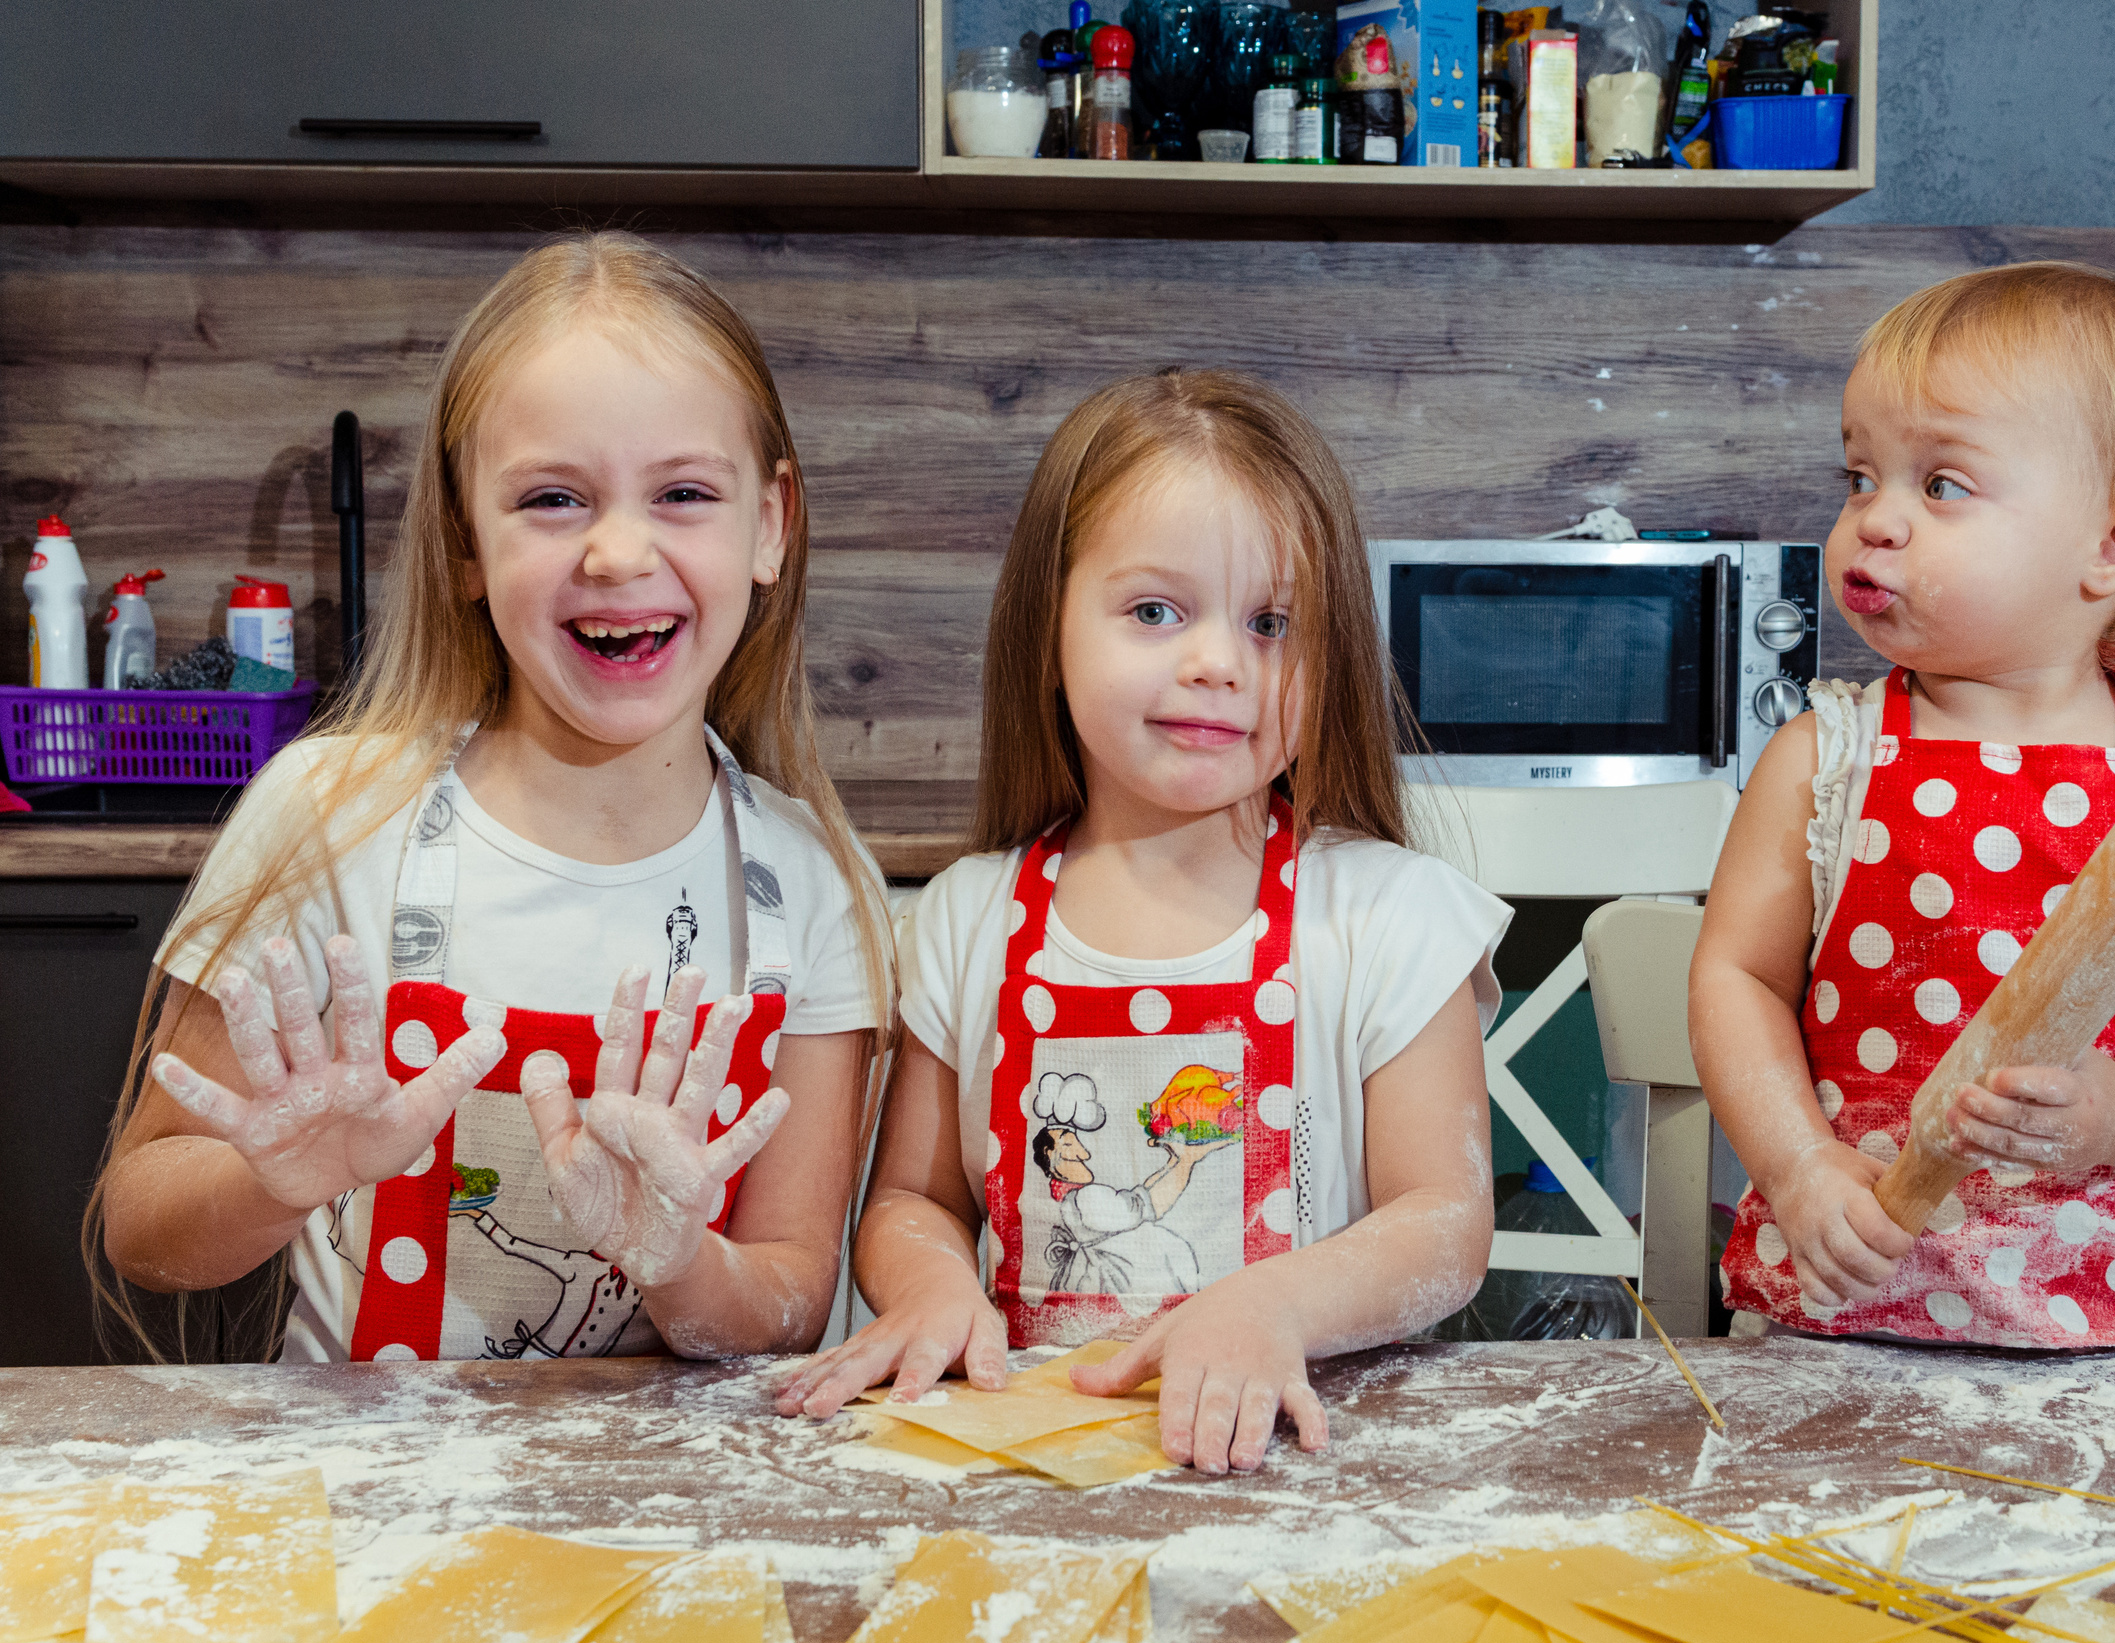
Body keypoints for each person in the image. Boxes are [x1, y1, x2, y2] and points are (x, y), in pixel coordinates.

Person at [92, 234, 893, 1367]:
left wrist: (677, 1257)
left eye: (683, 492)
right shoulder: (329, 815)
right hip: (371, 1516)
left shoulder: (814, 880)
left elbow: (787, 1298)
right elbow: (143, 1227)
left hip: (657, 1525)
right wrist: (274, 1182)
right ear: (466, 539)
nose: (619, 552)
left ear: (768, 525)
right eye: (554, 498)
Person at [773, 370, 1507, 1471]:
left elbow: (1443, 1223)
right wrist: (931, 1284)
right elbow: (912, 1198)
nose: (1215, 662)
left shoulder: (1387, 918)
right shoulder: (969, 921)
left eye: (1270, 623)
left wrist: (1274, 1308)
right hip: (1030, 1473)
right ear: (1049, 627)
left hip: (1301, 1468)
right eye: (1155, 611)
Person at [1692, 261, 2115, 1348]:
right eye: (1859, 476)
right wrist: (1798, 1164)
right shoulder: (1827, 756)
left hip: (2113, 1306)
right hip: (1852, 1298)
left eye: (1942, 485)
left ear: (2113, 546)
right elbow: (1735, 978)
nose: (1874, 520)